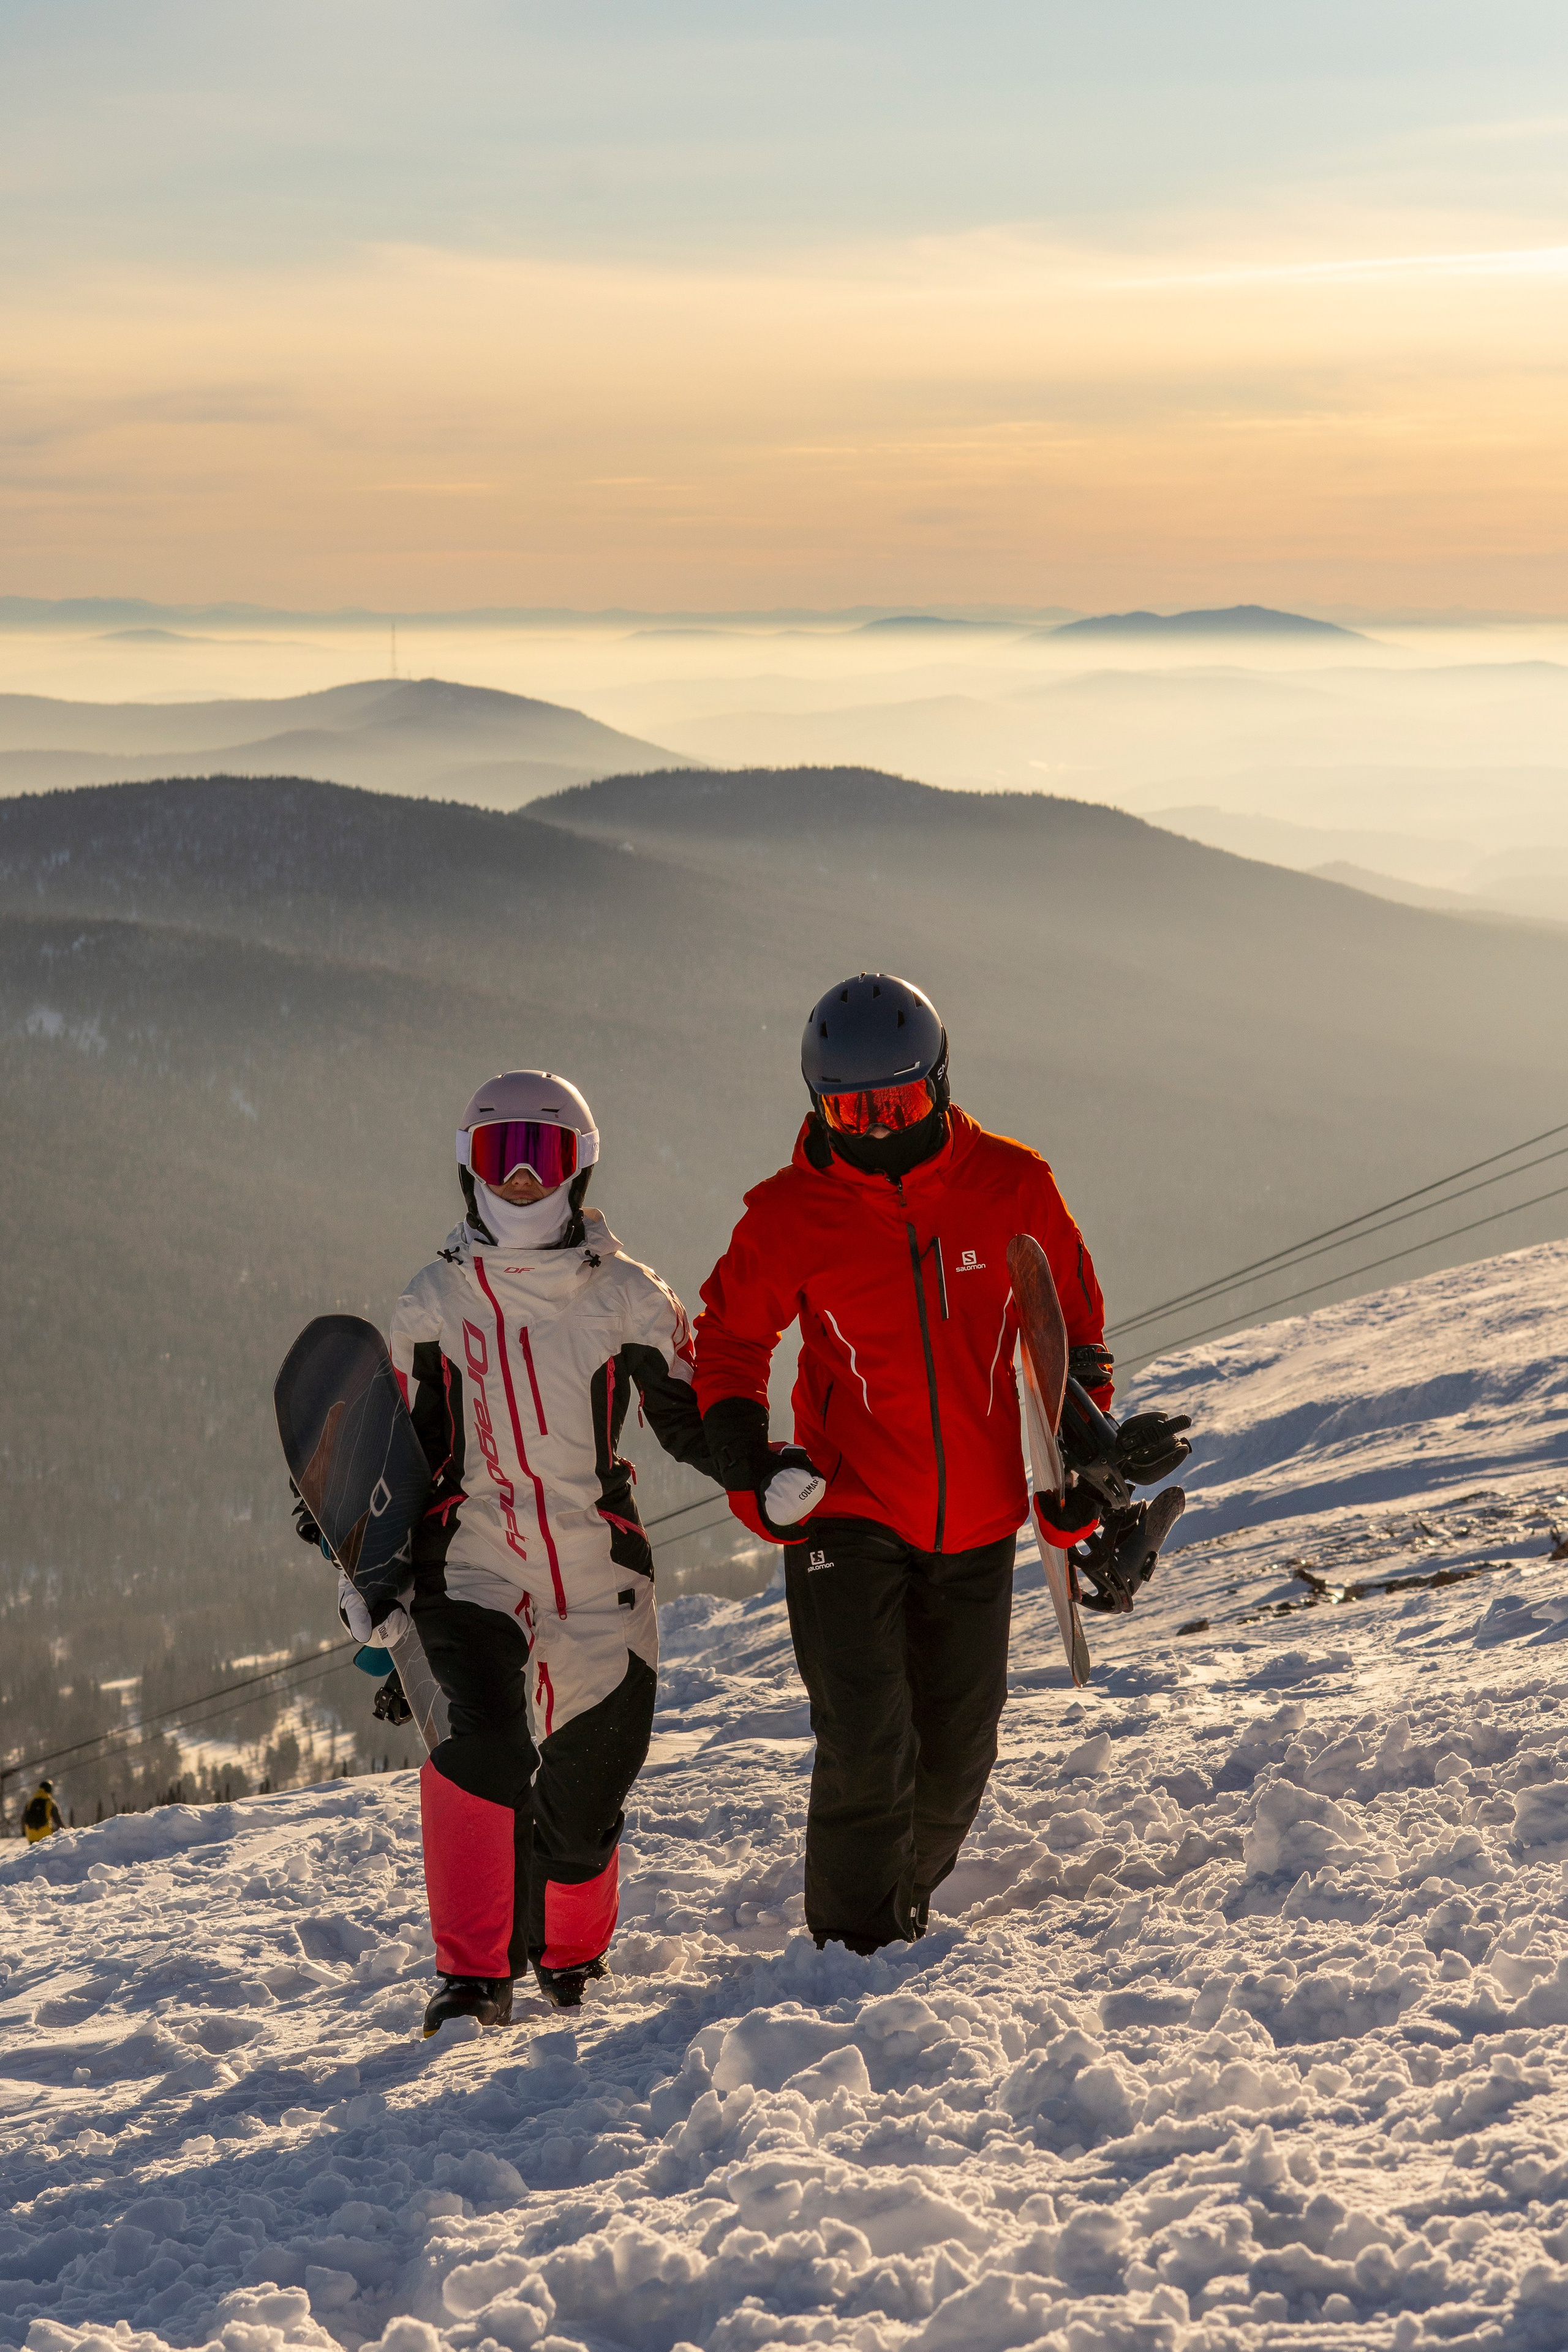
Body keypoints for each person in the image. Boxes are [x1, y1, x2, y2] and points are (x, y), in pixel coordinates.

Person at [695, 972, 1118, 1955]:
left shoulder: (1011, 1184)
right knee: (865, 1737)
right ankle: (852, 1952)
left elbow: (1073, 1331)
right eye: (854, 1112)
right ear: (818, 1107)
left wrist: (1073, 1472)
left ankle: (898, 1902)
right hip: (847, 1504)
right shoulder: (790, 1214)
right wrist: (749, 1464)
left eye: (899, 1103)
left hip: (978, 1510)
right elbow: (729, 1341)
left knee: (960, 1749)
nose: (880, 1128)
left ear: (940, 1084)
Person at [301, 1071, 723, 2032]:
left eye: (545, 1154)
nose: (523, 1177)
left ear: (580, 1167)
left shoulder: (628, 1296)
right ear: (470, 1168)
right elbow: (400, 1455)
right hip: (471, 1557)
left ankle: (569, 1952)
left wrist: (774, 1473)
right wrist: (367, 1573)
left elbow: (696, 1422)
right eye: (503, 1156)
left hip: (597, 1561)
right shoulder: (433, 1302)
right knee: (482, 1747)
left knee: (589, 1789)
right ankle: (471, 1978)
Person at [22, 1779, 62, 1843]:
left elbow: (23, 1818)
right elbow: (58, 1820)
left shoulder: (30, 1802)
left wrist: (24, 1832)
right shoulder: (50, 1803)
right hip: (45, 1836)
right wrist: (65, 1832)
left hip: (31, 1836)